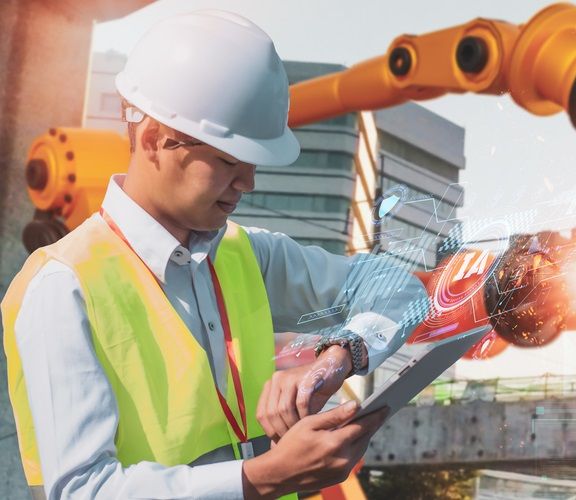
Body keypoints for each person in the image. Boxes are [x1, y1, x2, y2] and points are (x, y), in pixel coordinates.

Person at [1, 10, 426, 499]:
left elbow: (399, 288)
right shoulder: (62, 286)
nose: (247, 183)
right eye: (228, 161)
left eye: (251, 163)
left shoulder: (247, 253)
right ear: (155, 140)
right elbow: (82, 491)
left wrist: (339, 356)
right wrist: (265, 477)